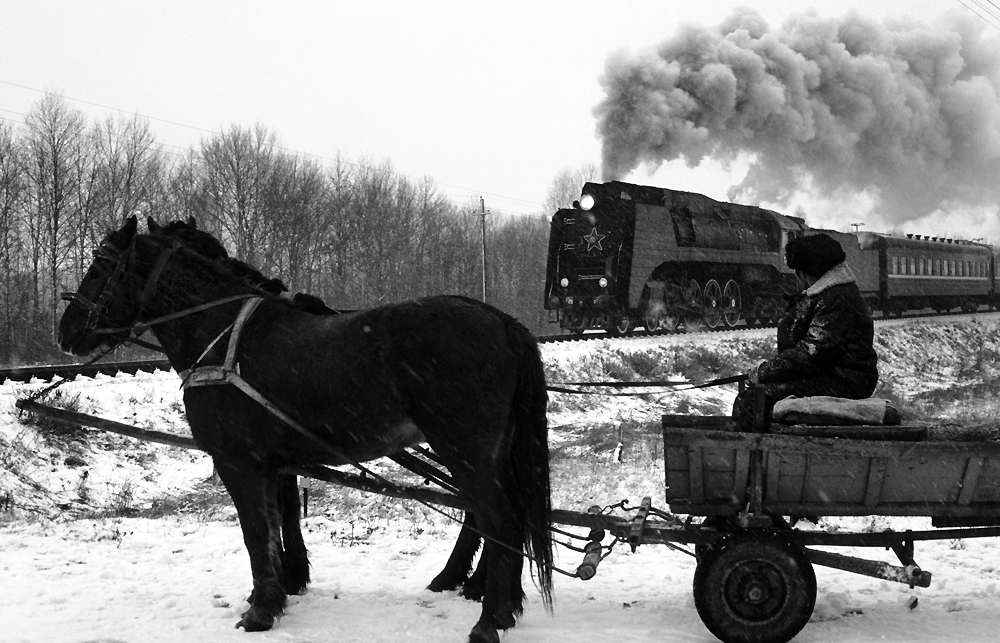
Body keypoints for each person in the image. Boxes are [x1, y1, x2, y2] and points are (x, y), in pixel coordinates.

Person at [731, 233, 879, 431]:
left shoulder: (836, 298)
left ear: (805, 272)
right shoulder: (828, 294)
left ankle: (753, 453)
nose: (797, 278)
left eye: (797, 272)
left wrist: (766, 371)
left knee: (755, 399)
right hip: (831, 375)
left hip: (846, 380)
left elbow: (813, 353)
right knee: (754, 396)